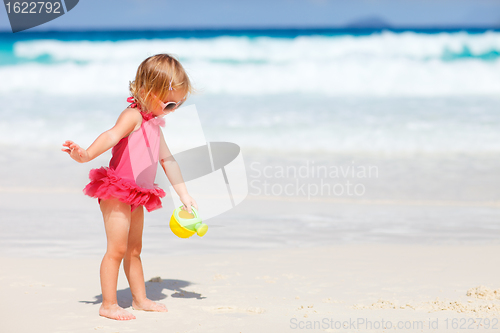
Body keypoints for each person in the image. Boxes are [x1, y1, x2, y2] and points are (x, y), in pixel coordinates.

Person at [62, 54, 198, 321]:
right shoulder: (132, 116)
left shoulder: (154, 124)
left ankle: (140, 299)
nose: (173, 110)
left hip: (139, 194)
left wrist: (184, 194)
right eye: (170, 104)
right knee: (117, 249)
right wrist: (87, 154)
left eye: (178, 105)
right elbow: (112, 135)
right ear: (147, 92)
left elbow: (167, 160)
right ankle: (108, 304)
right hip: (116, 191)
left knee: (135, 249)